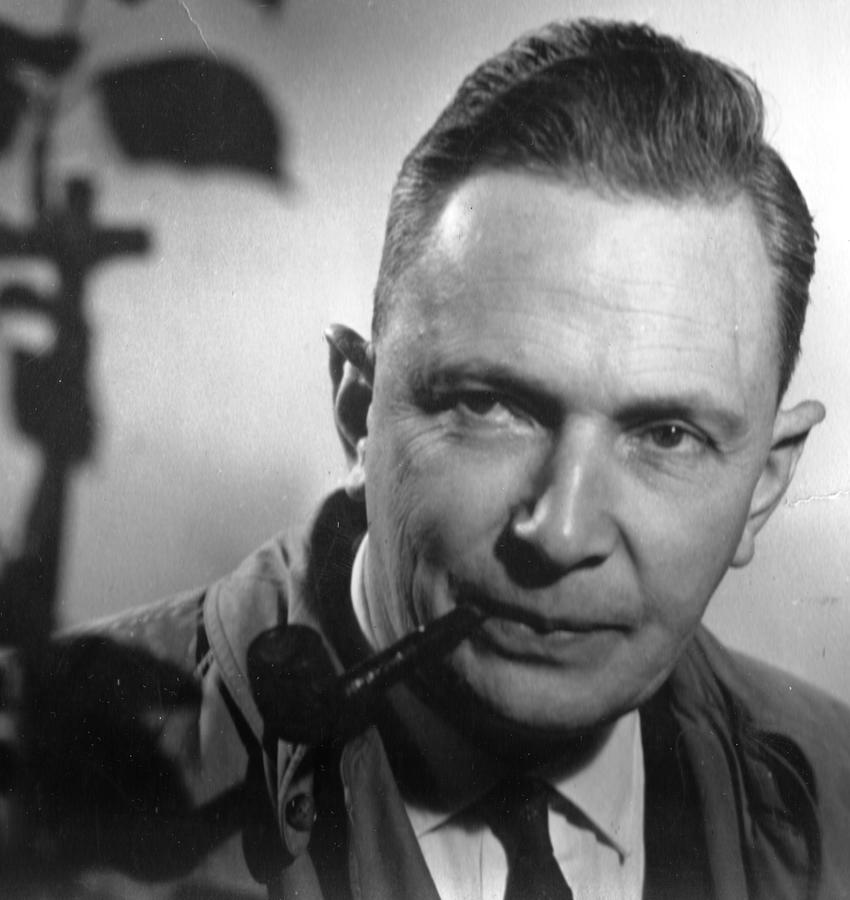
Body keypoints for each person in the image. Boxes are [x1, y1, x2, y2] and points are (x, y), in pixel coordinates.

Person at [33, 16, 850, 900]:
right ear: (358, 414)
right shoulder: (38, 778)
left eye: (667, 436)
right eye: (492, 405)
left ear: (766, 486)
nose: (562, 533)